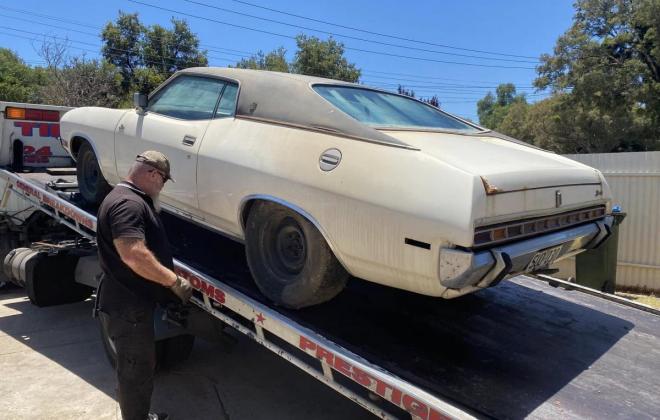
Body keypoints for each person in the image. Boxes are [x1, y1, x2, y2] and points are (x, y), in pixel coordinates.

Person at [95, 151, 193, 420]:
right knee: (135, 370)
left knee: (138, 366)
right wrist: (173, 281)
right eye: (163, 180)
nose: (162, 187)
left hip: (128, 303)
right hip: (128, 307)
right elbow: (132, 252)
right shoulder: (129, 204)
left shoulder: (122, 197)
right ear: (152, 173)